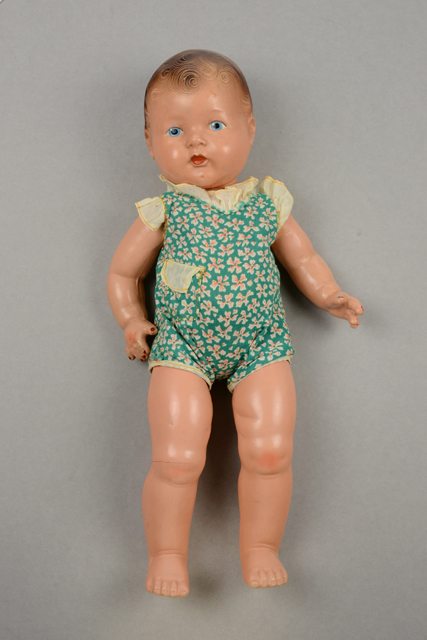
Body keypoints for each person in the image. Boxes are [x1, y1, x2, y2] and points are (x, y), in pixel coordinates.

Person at [107, 49, 364, 597]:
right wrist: (131, 319)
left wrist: (329, 294)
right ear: (150, 142)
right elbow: (122, 272)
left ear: (250, 128)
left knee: (271, 450)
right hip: (181, 346)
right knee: (177, 458)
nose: (195, 141)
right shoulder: (165, 210)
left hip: (260, 343)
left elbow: (303, 258)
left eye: (216, 125)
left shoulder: (268, 202)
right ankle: (167, 554)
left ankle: (261, 547)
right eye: (174, 130)